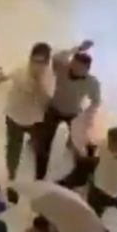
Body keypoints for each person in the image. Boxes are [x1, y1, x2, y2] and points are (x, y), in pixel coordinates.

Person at [0, 42, 54, 183]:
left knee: (40, 149)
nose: (36, 65)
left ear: (47, 63)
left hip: (35, 120)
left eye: (41, 62)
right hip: (14, 115)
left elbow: (46, 100)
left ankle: (39, 178)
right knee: (13, 148)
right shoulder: (20, 68)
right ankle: (11, 173)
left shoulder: (49, 77)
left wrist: (38, 84)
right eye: (34, 61)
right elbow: (2, 76)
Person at [36, 40, 101, 181]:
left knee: (79, 143)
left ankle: (81, 174)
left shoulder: (92, 82)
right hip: (54, 108)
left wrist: (87, 115)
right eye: (74, 64)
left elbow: (96, 101)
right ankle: (39, 177)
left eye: (80, 67)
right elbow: (57, 57)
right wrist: (78, 48)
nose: (75, 68)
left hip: (74, 114)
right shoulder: (62, 68)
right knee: (43, 144)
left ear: (87, 70)